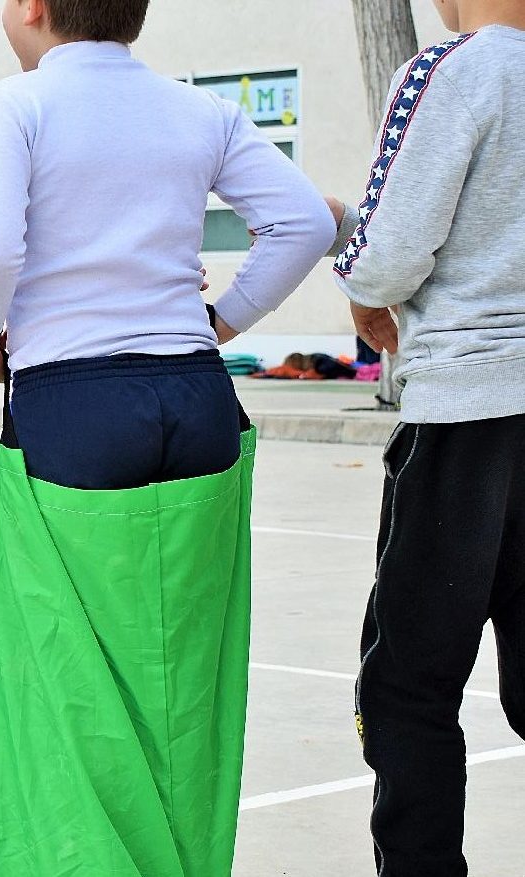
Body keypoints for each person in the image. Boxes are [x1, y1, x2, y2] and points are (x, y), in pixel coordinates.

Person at [0, 0, 333, 489]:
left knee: (62, 544)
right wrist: (223, 320)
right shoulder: (204, 110)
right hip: (197, 388)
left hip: (71, 396)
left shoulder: (9, 104)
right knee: (197, 542)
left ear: (33, 7)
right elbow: (305, 222)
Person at [328, 2, 525, 871]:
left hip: (467, 414)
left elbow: (389, 252)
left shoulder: (451, 71)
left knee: (407, 688)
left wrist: (354, 270)